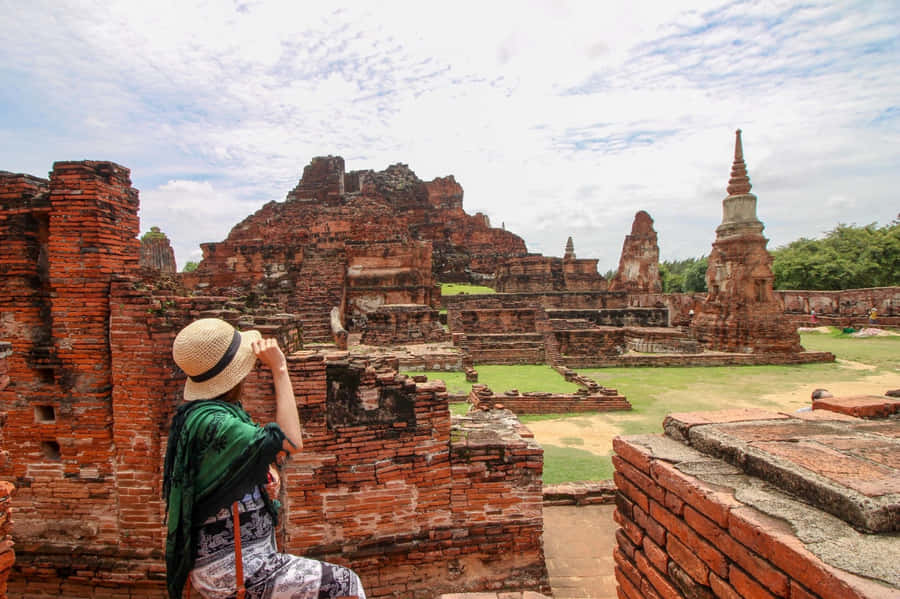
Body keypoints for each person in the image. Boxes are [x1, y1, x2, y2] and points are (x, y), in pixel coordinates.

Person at [164, 318, 366, 599]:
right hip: (233, 567)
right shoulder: (218, 423)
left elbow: (228, 474)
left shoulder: (204, 416)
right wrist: (279, 369)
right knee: (345, 585)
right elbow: (291, 441)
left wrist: (262, 480)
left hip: (223, 557)